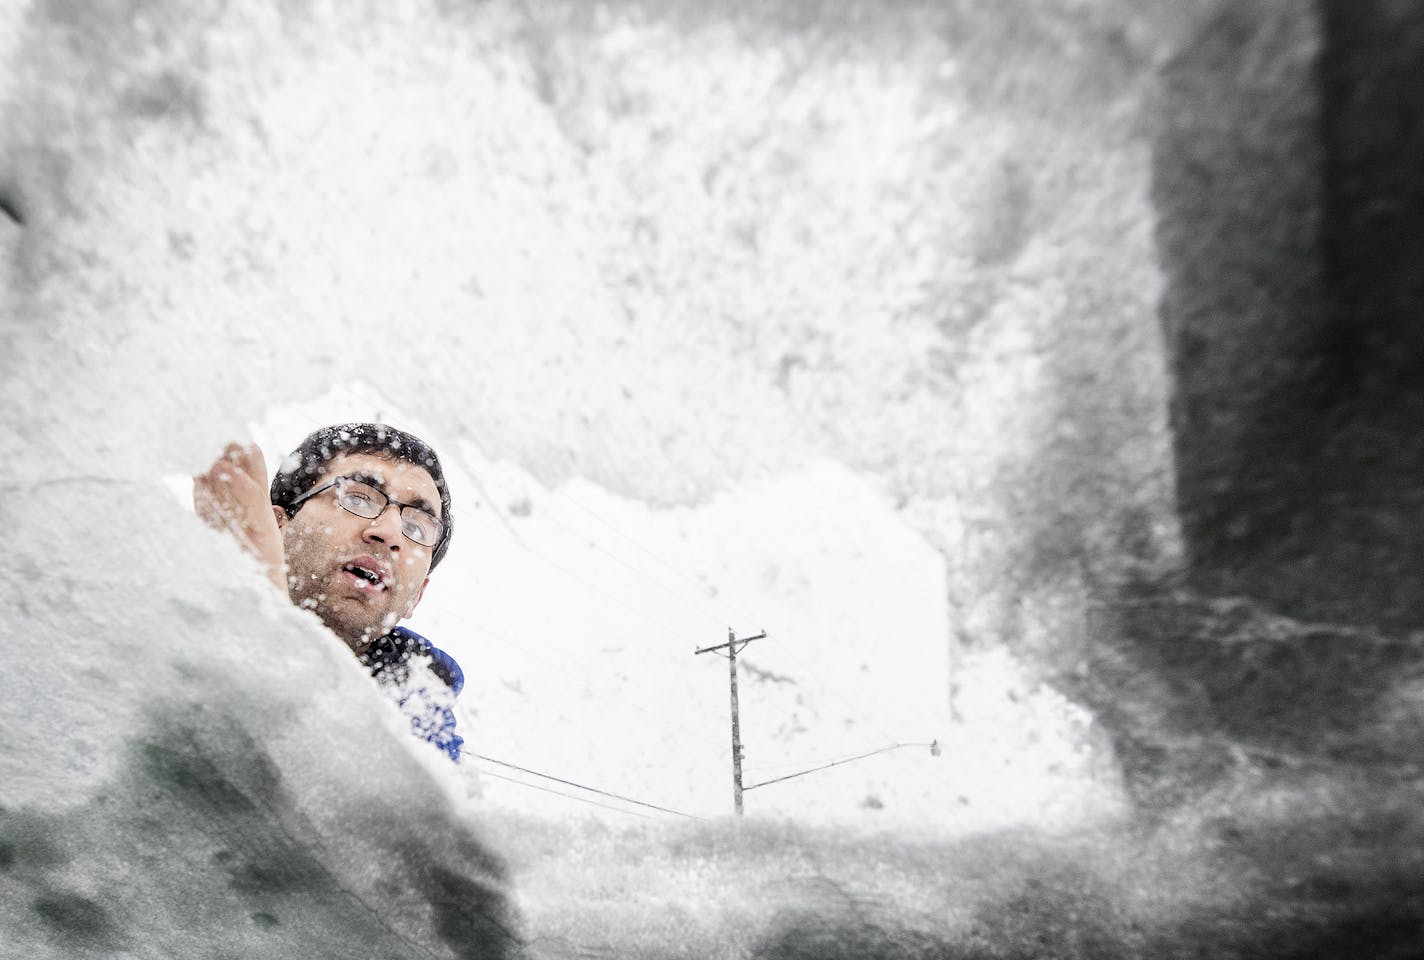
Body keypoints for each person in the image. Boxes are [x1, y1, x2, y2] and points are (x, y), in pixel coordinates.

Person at [193, 422, 465, 761]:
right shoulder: (167, 612)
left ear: (417, 597)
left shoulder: (422, 723)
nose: (390, 532)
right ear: (278, 524)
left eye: (416, 527)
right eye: (358, 497)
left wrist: (266, 614)